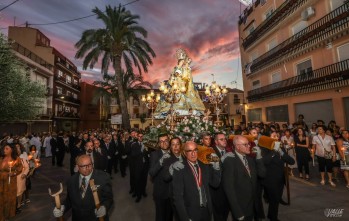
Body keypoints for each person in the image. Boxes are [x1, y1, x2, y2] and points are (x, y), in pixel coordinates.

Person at [53, 154, 113, 221]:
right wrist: (62, 207)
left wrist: (104, 208)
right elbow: (69, 200)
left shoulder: (103, 177)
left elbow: (109, 198)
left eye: (90, 165)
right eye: (83, 166)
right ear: (77, 167)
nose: (88, 168)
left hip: (96, 218)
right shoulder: (71, 181)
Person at [172, 141, 221, 221]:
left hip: (206, 211)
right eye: (189, 151)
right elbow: (178, 198)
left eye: (195, 150)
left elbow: (215, 184)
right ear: (184, 153)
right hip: (191, 213)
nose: (193, 153)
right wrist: (185, 218)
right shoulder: (180, 169)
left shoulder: (204, 166)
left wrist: (216, 168)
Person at [222, 135, 265, 221]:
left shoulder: (250, 159)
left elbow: (262, 174)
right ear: (237, 147)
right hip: (241, 208)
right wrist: (237, 211)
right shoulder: (230, 161)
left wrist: (259, 157)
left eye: (248, 143)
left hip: (253, 206)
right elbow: (229, 189)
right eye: (245, 144)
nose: (249, 146)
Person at [262, 140, 295, 221]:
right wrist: (274, 151)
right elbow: (264, 161)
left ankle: (271, 215)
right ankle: (273, 217)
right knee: (274, 199)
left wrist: (282, 152)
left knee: (276, 199)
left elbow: (291, 161)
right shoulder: (265, 149)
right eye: (273, 136)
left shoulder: (281, 149)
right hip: (270, 179)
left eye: (277, 136)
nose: (276, 138)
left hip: (280, 178)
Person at [149, 134, 172, 221]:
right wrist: (161, 161)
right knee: (160, 216)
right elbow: (151, 173)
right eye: (161, 141)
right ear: (159, 144)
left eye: (166, 140)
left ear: (169, 141)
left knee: (169, 215)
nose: (164, 143)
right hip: (160, 192)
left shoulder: (174, 153)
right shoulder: (154, 154)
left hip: (172, 192)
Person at [0, 143, 23, 221]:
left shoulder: (16, 159)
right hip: (1, 181)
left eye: (7, 148)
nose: (4, 150)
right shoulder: (1, 158)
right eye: (4, 149)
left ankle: (7, 215)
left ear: (11, 149)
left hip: (10, 182)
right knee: (1, 198)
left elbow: (20, 168)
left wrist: (13, 173)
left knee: (8, 198)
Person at [210, 133, 230, 221]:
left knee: (226, 211)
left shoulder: (229, 151)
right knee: (218, 214)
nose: (224, 140)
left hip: (228, 188)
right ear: (216, 142)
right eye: (221, 139)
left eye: (225, 139)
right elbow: (214, 170)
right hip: (217, 189)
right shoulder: (211, 152)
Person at [130, 132, 149, 202]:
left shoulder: (146, 144)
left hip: (145, 166)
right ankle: (138, 195)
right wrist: (141, 150)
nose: (140, 138)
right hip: (137, 166)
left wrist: (148, 153)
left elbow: (148, 155)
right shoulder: (134, 145)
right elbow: (133, 155)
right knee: (138, 181)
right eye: (139, 136)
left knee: (144, 180)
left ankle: (143, 191)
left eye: (142, 136)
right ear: (137, 137)